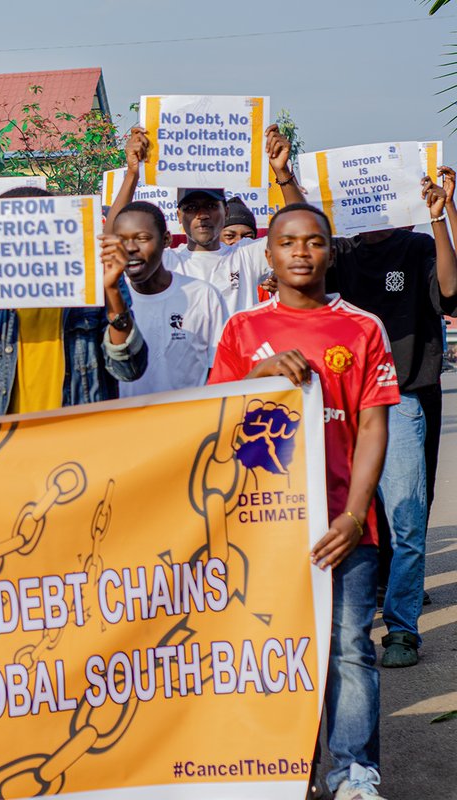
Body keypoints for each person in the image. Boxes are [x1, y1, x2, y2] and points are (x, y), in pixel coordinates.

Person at [209, 203, 399, 800]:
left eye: (314, 242)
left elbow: (373, 428)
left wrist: (352, 515)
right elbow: (213, 419)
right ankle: (282, 769)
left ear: (329, 251)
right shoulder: (242, 332)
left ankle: (352, 773)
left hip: (344, 524)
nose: (301, 252)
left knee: (347, 647)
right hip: (265, 525)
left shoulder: (363, 328)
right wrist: (261, 373)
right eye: (288, 242)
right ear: (268, 255)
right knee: (272, 649)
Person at [325, 175, 457, 667]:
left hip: (400, 399)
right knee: (344, 516)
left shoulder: (419, 244)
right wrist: (287, 179)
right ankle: (349, 625)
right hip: (341, 403)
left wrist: (441, 217)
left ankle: (401, 628)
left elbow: (450, 290)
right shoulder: (341, 251)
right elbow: (301, 234)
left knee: (405, 520)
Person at [0, 187, 147, 414]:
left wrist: (110, 289)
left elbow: (128, 369)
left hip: (79, 440)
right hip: (17, 442)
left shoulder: (94, 288)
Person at [107, 124, 306, 316]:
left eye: (211, 206)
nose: (202, 215)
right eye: (191, 208)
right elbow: (110, 242)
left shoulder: (245, 256)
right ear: (178, 216)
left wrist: (282, 172)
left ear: (225, 211)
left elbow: (300, 231)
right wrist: (132, 174)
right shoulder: (167, 261)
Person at [103, 201, 227, 397]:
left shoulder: (203, 295)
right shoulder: (108, 301)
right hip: (124, 422)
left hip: (189, 423)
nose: (131, 248)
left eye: (142, 238)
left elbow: (219, 371)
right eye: (121, 240)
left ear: (166, 239)